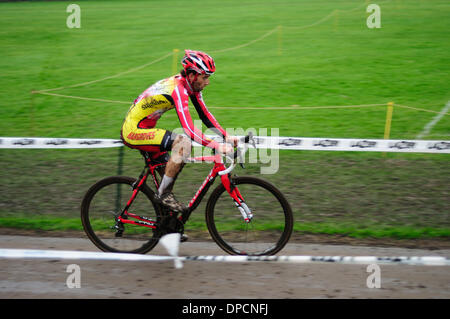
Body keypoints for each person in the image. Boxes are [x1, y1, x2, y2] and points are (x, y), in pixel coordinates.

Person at [121, 49, 238, 215]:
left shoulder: (190, 87)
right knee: (183, 144)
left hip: (147, 129)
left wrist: (225, 135)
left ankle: (168, 227)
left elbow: (204, 115)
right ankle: (161, 195)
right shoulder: (178, 89)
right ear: (192, 75)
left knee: (170, 175)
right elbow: (189, 129)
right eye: (204, 77)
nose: (207, 82)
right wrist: (215, 145)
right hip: (134, 131)